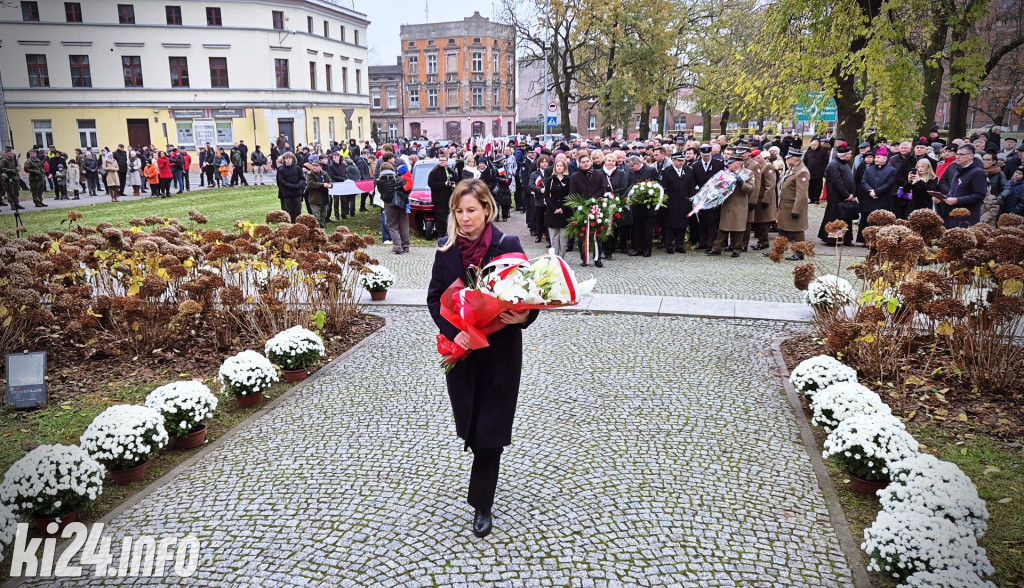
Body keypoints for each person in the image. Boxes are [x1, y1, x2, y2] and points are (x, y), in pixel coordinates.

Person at [425, 179, 537, 539]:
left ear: (487, 209)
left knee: (490, 432)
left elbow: (529, 298)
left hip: (501, 353)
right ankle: (482, 459)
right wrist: (452, 329)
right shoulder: (446, 250)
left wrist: (525, 318)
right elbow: (434, 298)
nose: (465, 217)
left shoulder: (508, 246)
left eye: (471, 210)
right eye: (459, 211)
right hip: (463, 353)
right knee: (471, 426)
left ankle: (482, 505)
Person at [709, 155, 755, 257]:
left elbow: (751, 188)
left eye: (730, 163)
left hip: (739, 205)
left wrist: (741, 183)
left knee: (738, 229)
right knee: (722, 228)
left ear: (737, 163)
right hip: (727, 204)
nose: (728, 165)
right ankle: (716, 248)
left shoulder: (748, 173)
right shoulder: (726, 173)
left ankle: (737, 249)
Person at [568, 153, 606, 266]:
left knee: (597, 233)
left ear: (591, 162)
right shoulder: (574, 176)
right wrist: (582, 203)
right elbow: (572, 192)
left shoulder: (599, 174)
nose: (585, 164)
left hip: (596, 207)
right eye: (583, 162)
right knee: (582, 233)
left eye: (587, 161)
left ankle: (597, 258)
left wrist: (592, 200)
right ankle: (584, 258)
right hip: (581, 208)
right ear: (579, 164)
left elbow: (602, 189)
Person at [818, 144, 856, 246]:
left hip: (845, 197)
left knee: (845, 218)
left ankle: (845, 238)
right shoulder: (834, 165)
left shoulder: (845, 164)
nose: (850, 156)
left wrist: (852, 193)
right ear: (844, 154)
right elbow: (837, 182)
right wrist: (846, 195)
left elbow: (849, 179)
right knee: (835, 218)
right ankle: (833, 238)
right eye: (849, 154)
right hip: (836, 197)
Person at [776, 149, 811, 259]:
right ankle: (778, 251)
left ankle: (799, 253)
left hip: (793, 206)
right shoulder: (792, 169)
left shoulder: (802, 172)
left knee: (797, 230)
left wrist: (796, 210)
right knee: (783, 230)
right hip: (785, 205)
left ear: (794, 159)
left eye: (788, 158)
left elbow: (801, 194)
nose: (786, 160)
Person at [658, 152, 695, 255]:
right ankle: (669, 245)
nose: (681, 162)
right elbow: (663, 189)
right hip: (671, 202)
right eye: (679, 160)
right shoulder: (666, 172)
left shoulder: (688, 171)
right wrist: (666, 203)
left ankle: (680, 245)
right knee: (669, 225)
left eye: (682, 160)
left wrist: (691, 200)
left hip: (684, 202)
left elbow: (691, 187)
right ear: (673, 160)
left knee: (682, 225)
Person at [858, 147, 897, 242]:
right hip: (869, 198)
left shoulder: (891, 170)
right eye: (876, 157)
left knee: (881, 219)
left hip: (882, 199)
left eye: (879, 157)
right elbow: (863, 181)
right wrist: (870, 190)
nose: (876, 159)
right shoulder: (869, 169)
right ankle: (865, 240)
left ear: (885, 159)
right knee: (867, 219)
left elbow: (889, 183)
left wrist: (877, 191)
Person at [378, 162, 411, 254]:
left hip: (389, 204)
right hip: (402, 203)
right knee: (403, 224)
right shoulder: (399, 179)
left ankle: (397, 246)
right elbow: (407, 189)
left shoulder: (379, 181)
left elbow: (381, 192)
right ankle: (405, 246)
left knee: (392, 225)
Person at [752, 150, 779, 250]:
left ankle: (763, 242)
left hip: (765, 199)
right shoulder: (759, 167)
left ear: (758, 158)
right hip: (759, 198)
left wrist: (766, 200)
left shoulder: (767, 167)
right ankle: (761, 241)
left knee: (764, 222)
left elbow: (770, 184)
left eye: (753, 159)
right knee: (759, 221)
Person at [545, 159, 572, 258]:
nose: (559, 167)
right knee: (554, 238)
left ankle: (562, 258)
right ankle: (555, 258)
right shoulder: (550, 180)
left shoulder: (569, 180)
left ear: (564, 167)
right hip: (552, 212)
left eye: (561, 166)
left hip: (565, 212)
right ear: (555, 167)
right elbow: (547, 196)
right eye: (557, 166)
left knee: (563, 239)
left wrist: (562, 208)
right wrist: (554, 209)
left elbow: (570, 195)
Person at [428, 153, 457, 238]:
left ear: (447, 161)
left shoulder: (451, 171)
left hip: (449, 198)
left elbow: (456, 180)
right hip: (439, 198)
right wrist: (443, 184)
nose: (442, 162)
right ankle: (440, 234)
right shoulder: (434, 171)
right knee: (440, 217)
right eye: (441, 161)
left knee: (448, 216)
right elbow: (431, 183)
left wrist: (454, 185)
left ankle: (448, 232)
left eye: (444, 161)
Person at [979, 151, 1010, 227]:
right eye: (983, 159)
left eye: (988, 160)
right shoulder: (978, 171)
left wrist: (999, 197)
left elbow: (1007, 188)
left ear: (994, 161)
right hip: (979, 201)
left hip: (992, 204)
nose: (984, 162)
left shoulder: (999, 173)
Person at [276, 152, 304, 222]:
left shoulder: (297, 168)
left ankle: (298, 225)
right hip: (287, 193)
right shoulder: (281, 169)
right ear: (284, 160)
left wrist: (298, 185)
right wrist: (292, 186)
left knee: (298, 211)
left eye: (290, 158)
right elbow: (281, 181)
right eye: (286, 158)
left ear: (292, 159)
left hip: (297, 193)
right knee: (289, 211)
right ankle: (290, 225)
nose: (288, 160)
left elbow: (302, 178)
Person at [529, 155, 551, 244]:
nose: (544, 163)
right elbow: (531, 185)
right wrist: (540, 190)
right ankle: (539, 235)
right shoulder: (534, 174)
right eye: (542, 162)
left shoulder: (550, 173)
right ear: (539, 163)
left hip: (549, 199)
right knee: (539, 218)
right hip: (539, 199)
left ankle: (548, 238)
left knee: (548, 219)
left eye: (546, 161)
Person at [304, 159, 333, 228]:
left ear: (320, 167)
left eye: (316, 166)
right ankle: (317, 229)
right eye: (313, 166)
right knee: (316, 217)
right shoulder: (309, 174)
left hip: (324, 197)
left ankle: (321, 227)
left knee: (323, 215)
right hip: (314, 198)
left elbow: (330, 181)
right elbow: (310, 184)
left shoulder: (324, 173)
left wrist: (330, 185)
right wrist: (323, 185)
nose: (314, 167)